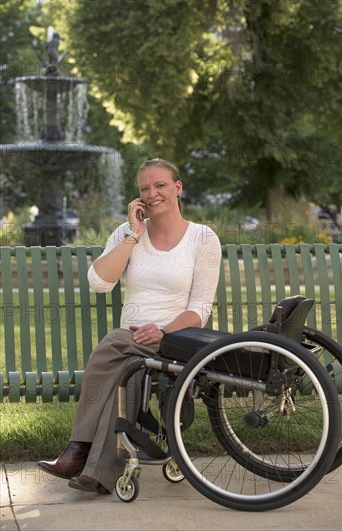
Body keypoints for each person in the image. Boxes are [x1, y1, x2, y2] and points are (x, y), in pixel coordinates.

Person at [38, 158, 222, 494]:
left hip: (175, 338)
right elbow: (99, 282)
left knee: (113, 343)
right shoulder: (127, 234)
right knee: (129, 372)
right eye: (144, 188)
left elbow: (200, 308)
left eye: (160, 185)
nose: (152, 194)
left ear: (178, 188)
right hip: (133, 344)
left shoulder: (203, 238)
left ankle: (77, 447)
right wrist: (132, 237)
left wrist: (164, 330)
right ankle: (98, 475)